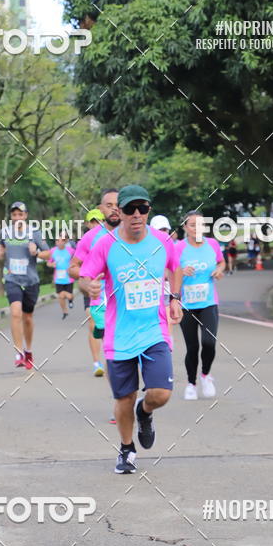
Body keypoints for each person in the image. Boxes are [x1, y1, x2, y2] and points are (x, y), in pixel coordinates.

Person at [79, 185, 183, 473]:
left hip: (154, 331)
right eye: (130, 209)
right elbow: (85, 275)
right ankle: (126, 449)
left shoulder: (162, 241)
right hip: (119, 336)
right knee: (123, 398)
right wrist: (88, 286)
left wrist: (174, 298)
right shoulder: (106, 245)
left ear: (148, 210)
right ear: (120, 212)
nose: (137, 214)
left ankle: (144, 411)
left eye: (143, 208)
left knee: (161, 394)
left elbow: (175, 267)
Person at [69, 189, 120, 376]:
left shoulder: (135, 233)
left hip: (130, 297)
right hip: (101, 297)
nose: (114, 209)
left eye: (118, 205)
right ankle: (100, 364)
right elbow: (73, 267)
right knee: (111, 344)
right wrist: (88, 279)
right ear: (101, 209)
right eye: (109, 205)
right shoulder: (91, 237)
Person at [0, 201, 50, 370]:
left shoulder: (34, 233)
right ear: (11, 217)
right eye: (14, 215)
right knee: (16, 313)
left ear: (25, 216)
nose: (17, 217)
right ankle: (18, 353)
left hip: (31, 280)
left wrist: (36, 252)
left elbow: (49, 254)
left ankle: (28, 350)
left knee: (27, 318)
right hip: (12, 278)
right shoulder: (4, 233)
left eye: (20, 214)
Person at [176, 211, 225, 400]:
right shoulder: (178, 248)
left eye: (200, 225)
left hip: (208, 303)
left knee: (209, 343)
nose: (197, 228)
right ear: (185, 228)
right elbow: (167, 272)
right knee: (192, 347)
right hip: (187, 305)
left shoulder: (212, 244)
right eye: (192, 225)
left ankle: (205, 375)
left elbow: (221, 262)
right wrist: (181, 271)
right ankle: (191, 383)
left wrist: (219, 270)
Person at [48, 233, 75, 319]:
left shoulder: (71, 251)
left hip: (68, 278)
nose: (59, 242)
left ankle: (70, 300)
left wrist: (72, 266)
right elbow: (48, 263)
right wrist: (51, 264)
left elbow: (76, 261)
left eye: (61, 241)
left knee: (69, 296)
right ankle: (65, 311)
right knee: (61, 296)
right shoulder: (52, 251)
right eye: (57, 240)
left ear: (65, 241)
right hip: (58, 278)